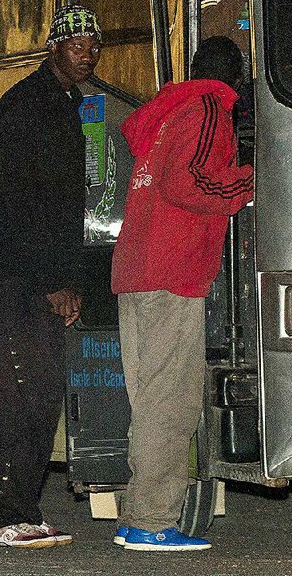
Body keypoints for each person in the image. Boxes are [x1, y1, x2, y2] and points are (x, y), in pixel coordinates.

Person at [111, 36, 254, 552]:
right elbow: (188, 181)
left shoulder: (166, 109)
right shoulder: (211, 105)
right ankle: (151, 520)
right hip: (173, 271)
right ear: (234, 76)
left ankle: (136, 517)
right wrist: (247, 183)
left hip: (136, 267)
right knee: (172, 402)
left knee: (149, 400)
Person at [0, 4, 101, 548]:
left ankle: (22, 510)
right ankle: (1, 517)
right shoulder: (27, 107)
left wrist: (68, 280)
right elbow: (19, 205)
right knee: (20, 394)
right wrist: (53, 281)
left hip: (38, 278)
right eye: (79, 46)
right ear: (54, 47)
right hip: (16, 279)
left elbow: (64, 208)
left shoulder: (63, 105)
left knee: (42, 393)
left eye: (96, 47)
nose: (89, 55)